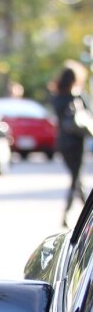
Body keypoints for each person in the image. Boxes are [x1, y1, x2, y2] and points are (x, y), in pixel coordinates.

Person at [50, 61, 93, 227]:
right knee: (76, 178)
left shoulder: (56, 97)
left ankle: (85, 216)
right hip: (76, 141)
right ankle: (69, 215)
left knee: (77, 179)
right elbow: (89, 114)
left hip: (62, 141)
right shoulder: (77, 95)